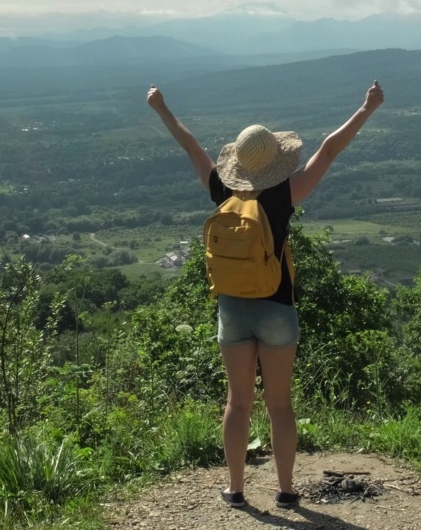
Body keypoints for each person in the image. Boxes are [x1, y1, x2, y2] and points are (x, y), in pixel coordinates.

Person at [146, 79, 384, 509]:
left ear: (237, 161)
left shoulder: (222, 189)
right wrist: (366, 109)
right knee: (279, 405)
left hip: (232, 307)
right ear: (275, 161)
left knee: (238, 404)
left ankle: (235, 490)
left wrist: (160, 107)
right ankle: (287, 491)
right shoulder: (283, 194)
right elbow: (329, 149)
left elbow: (190, 145)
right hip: (276, 306)